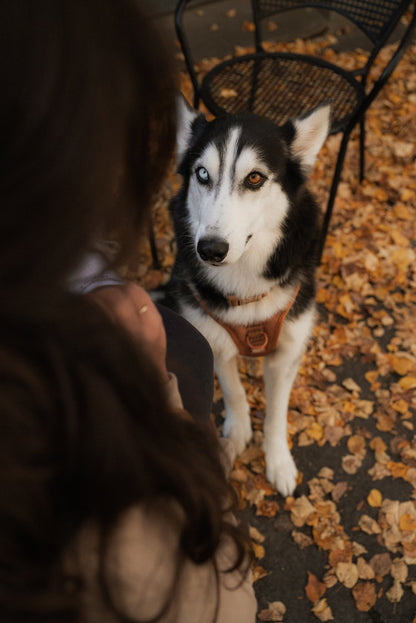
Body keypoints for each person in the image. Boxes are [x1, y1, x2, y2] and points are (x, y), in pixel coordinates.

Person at [0, 1, 257, 622]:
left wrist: (84, 282)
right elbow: (230, 606)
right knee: (187, 348)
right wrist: (155, 406)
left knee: (190, 341)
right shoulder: (114, 551)